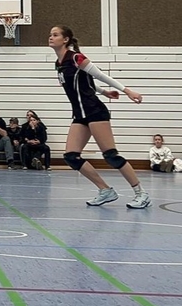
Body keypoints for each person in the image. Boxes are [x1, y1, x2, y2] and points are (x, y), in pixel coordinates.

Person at [50, 25, 150, 208]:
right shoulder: (59, 63)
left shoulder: (76, 57)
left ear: (65, 39)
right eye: (50, 34)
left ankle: (141, 193)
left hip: (94, 111)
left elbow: (99, 75)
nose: (51, 37)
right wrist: (104, 92)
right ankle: (105, 190)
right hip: (80, 114)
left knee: (111, 156)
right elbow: (85, 81)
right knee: (71, 157)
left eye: (55, 35)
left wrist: (127, 91)